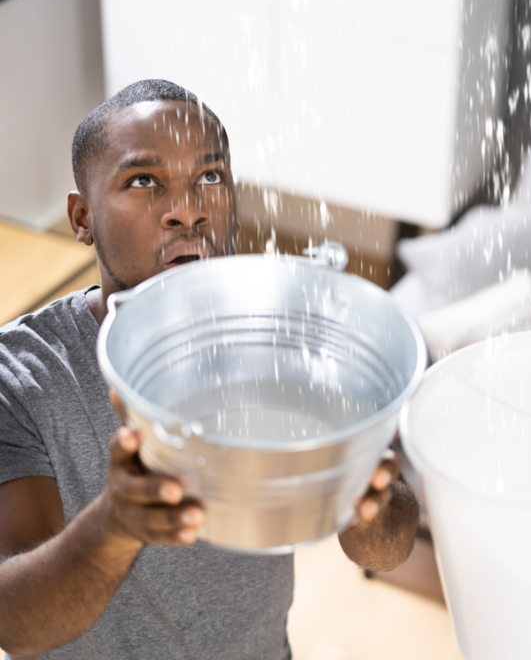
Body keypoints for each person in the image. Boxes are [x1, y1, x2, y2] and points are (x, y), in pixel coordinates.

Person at [0, 80, 420, 659]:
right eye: (143, 181)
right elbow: (14, 628)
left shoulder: (287, 332)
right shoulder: (22, 378)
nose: (188, 210)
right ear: (81, 217)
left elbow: (389, 552)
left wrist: (368, 506)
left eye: (210, 177)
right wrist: (116, 525)